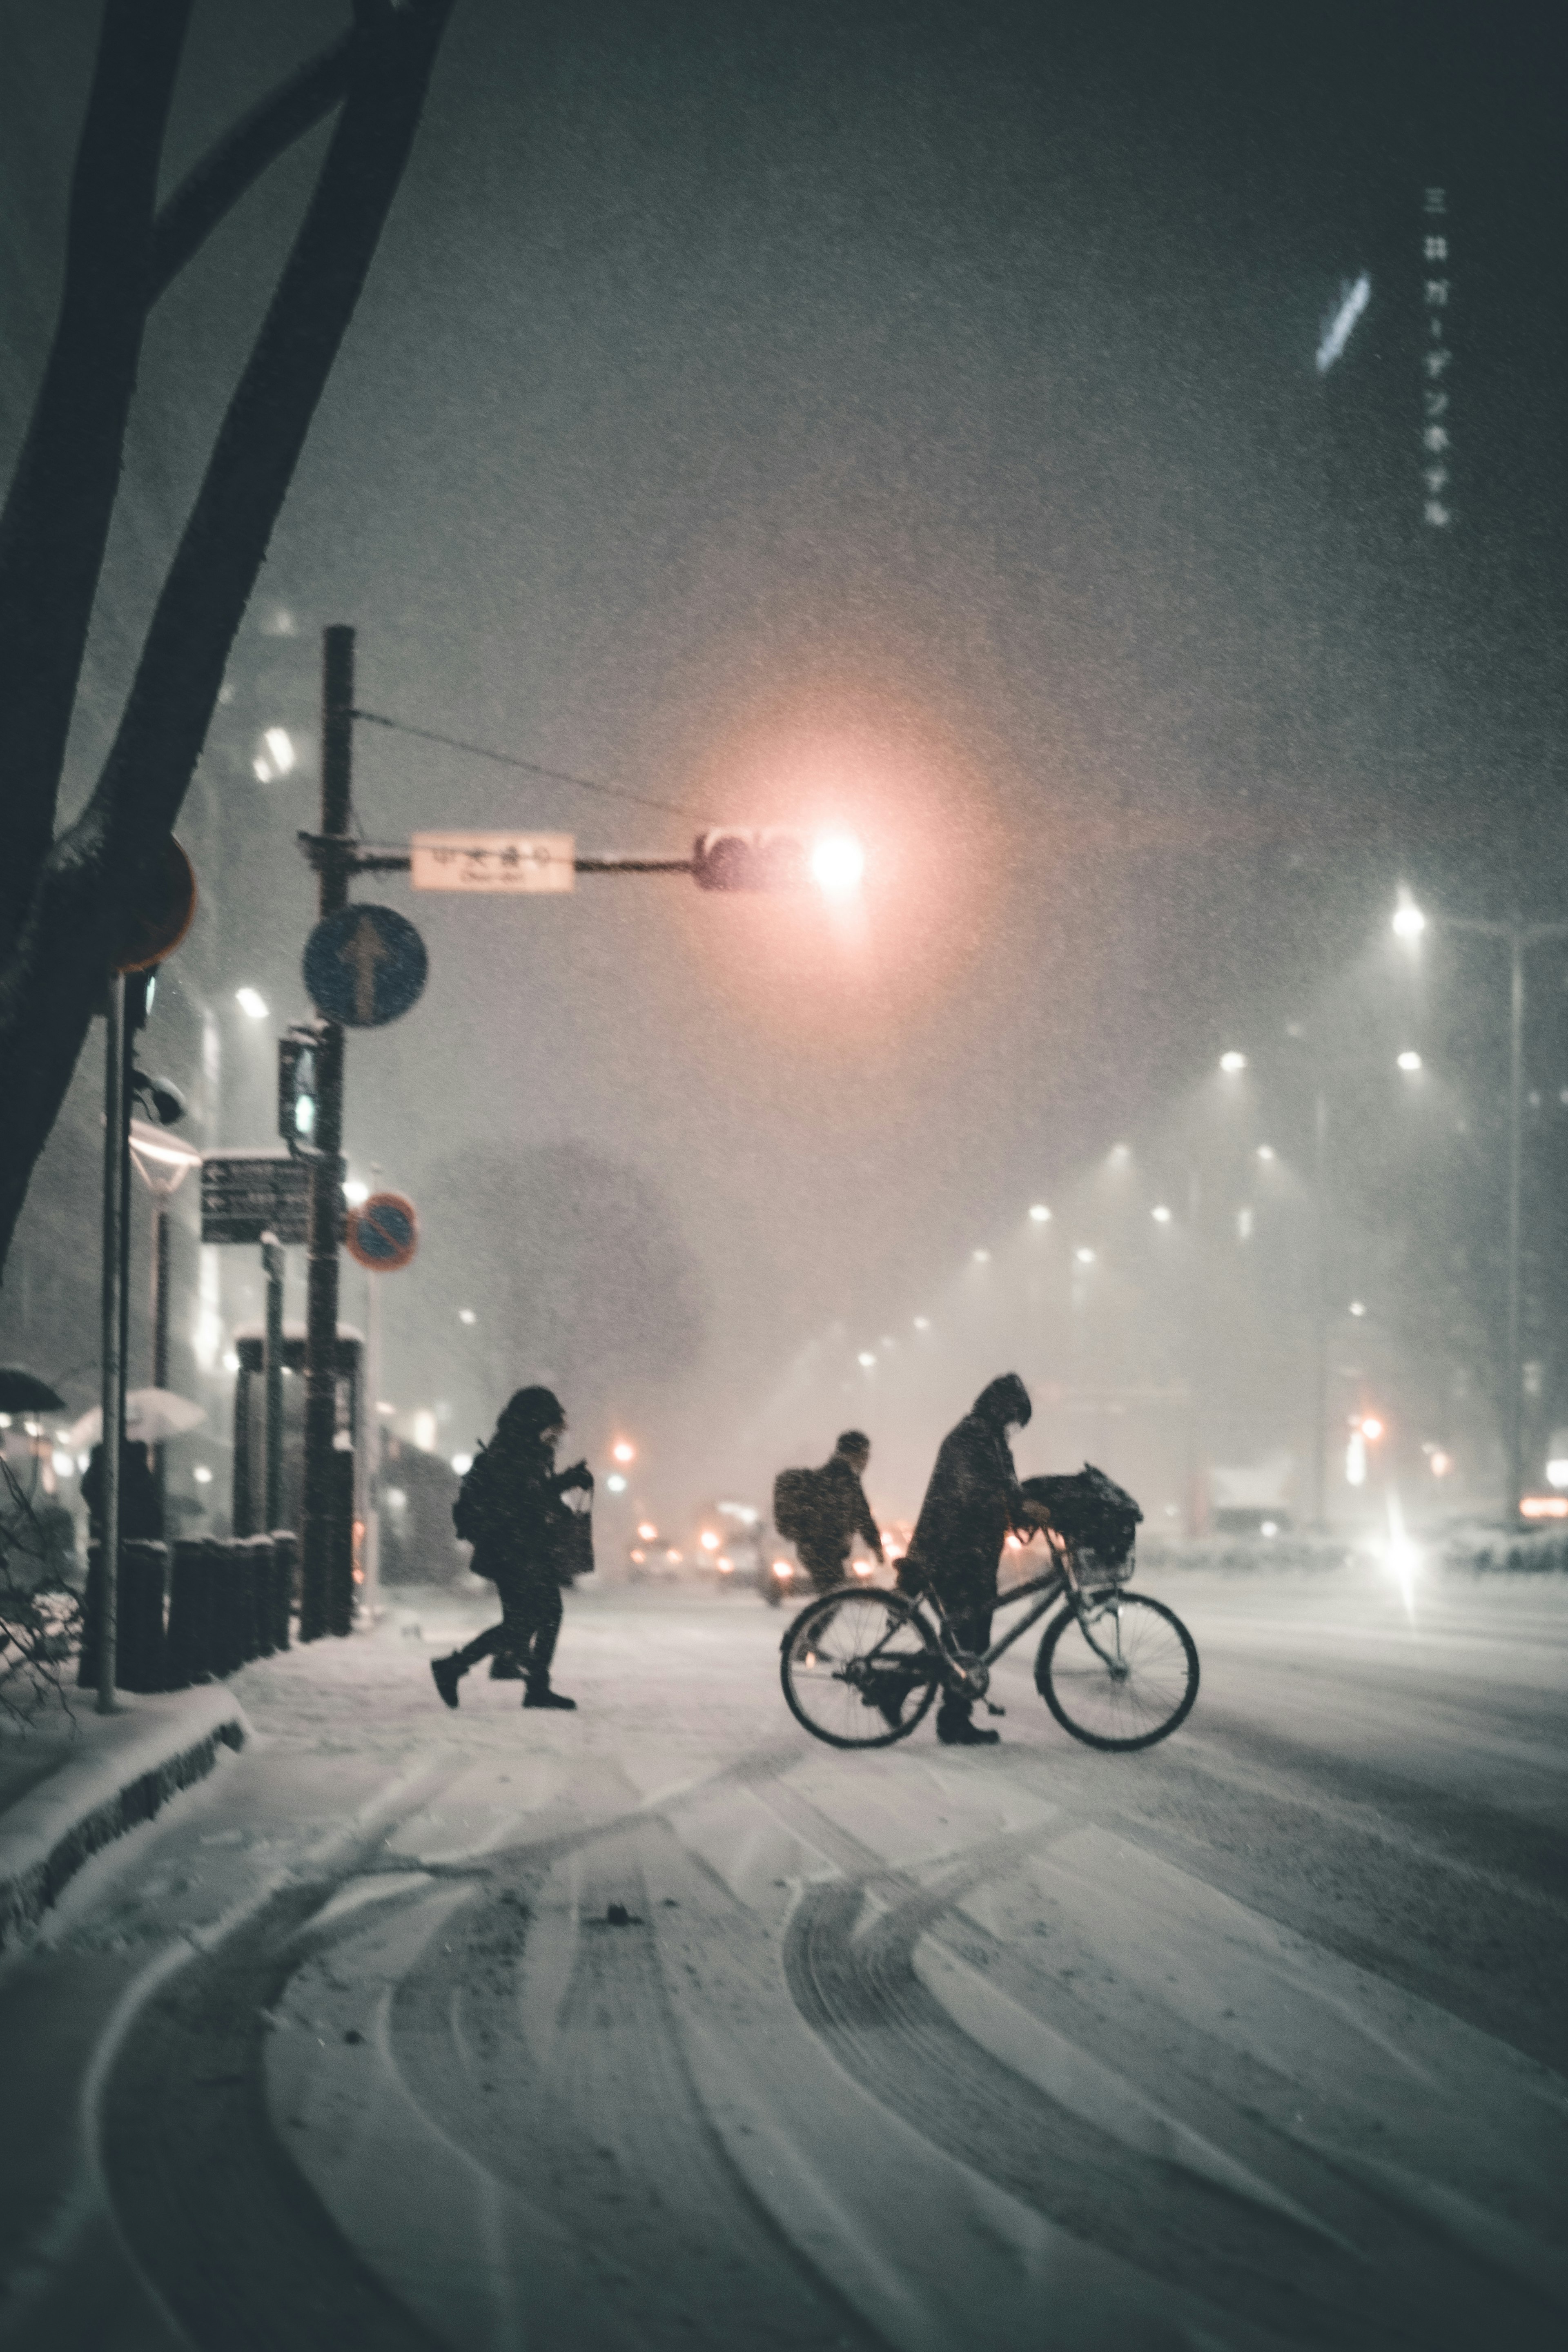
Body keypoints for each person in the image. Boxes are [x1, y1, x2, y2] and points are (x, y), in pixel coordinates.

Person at [430, 1386, 592, 1711]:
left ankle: (513, 1678)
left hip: (519, 1547)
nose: (554, 1432)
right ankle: (460, 1668)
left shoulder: (524, 1446)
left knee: (529, 1619)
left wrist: (564, 1483)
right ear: (534, 1420)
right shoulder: (512, 1450)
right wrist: (566, 1482)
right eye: (550, 1424)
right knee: (535, 1618)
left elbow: (533, 1494)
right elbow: (526, 1499)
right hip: (513, 1549)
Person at [900, 1373, 1033, 1746]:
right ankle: (947, 1717)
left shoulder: (987, 1438)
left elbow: (1004, 1489)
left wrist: (1025, 1508)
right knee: (964, 1643)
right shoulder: (970, 1438)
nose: (1012, 1429)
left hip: (973, 1554)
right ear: (1000, 1408)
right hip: (954, 1553)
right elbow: (976, 1492)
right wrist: (1018, 1506)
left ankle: (953, 1716)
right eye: (1012, 1419)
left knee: (970, 1642)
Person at [794, 1430, 886, 1594]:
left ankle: (814, 1619)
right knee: (831, 1598)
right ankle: (813, 1620)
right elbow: (863, 1516)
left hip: (818, 1549)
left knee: (830, 1599)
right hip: (824, 1550)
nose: (867, 1461)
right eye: (865, 1455)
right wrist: (876, 1547)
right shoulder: (845, 1479)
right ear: (852, 1455)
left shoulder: (829, 1475)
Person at [81, 1439, 161, 1543]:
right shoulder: (136, 1466)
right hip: (134, 1532)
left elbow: (87, 1488)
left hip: (110, 1532)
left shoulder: (105, 1456)